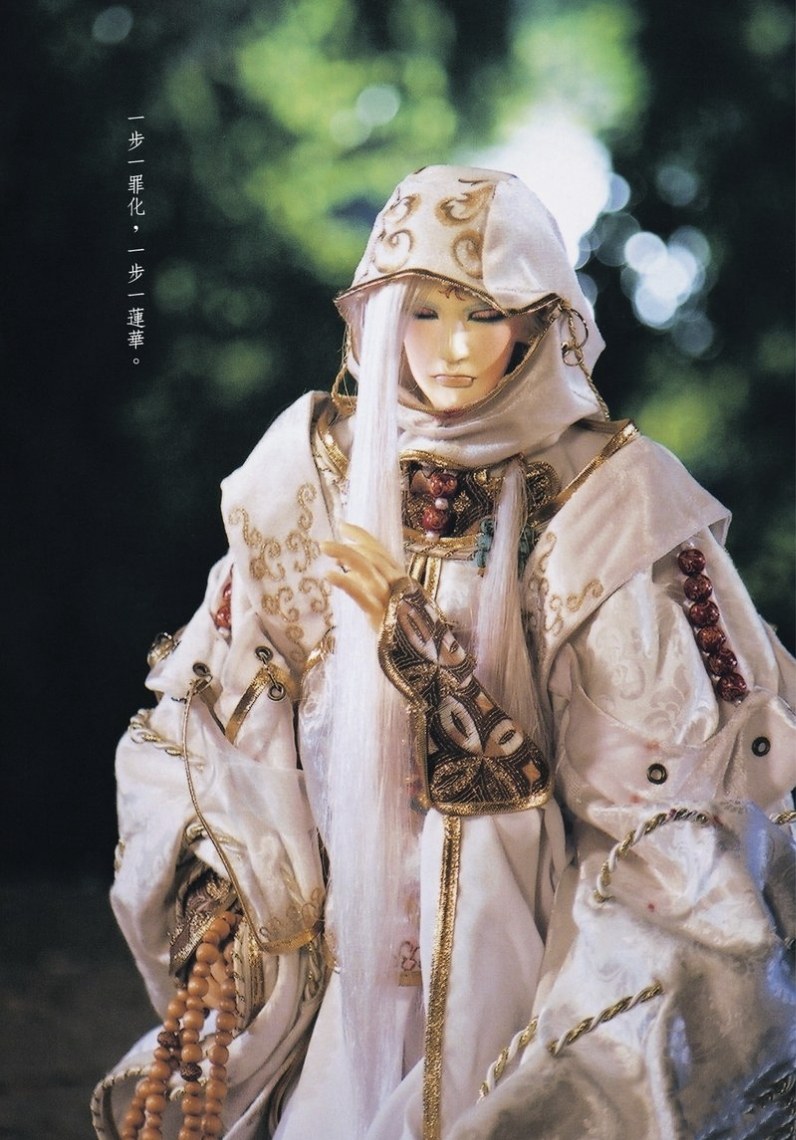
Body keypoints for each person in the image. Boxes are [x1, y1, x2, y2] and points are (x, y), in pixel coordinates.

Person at [93, 166, 795, 1140]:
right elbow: (219, 701)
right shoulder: (313, 473)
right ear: (377, 317)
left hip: (527, 949)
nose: (453, 349)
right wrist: (233, 864)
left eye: (484, 313)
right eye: (422, 313)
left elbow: (652, 783)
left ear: (537, 321)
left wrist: (422, 652)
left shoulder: (609, 498)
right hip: (344, 949)